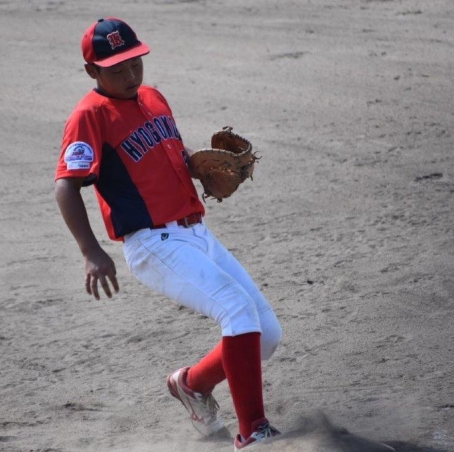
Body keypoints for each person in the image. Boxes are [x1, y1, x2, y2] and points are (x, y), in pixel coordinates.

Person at [54, 17, 283, 450]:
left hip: (197, 234)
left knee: (266, 335)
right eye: (117, 69)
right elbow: (66, 187)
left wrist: (199, 166)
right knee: (236, 310)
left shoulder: (153, 97)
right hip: (153, 244)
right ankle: (254, 432)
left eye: (135, 63)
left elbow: (173, 152)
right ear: (92, 71)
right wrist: (90, 251)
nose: (130, 75)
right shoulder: (89, 117)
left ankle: (191, 384)